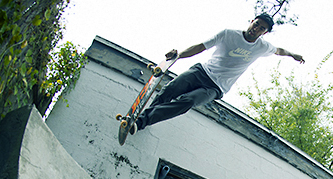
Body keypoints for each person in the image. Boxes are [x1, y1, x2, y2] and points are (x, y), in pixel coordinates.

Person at [129, 13, 304, 134]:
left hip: (216, 87)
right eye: (256, 24)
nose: (256, 29)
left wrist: (293, 54)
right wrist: (178, 56)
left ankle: (141, 122)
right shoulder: (228, 34)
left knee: (187, 101)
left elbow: (279, 50)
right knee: (170, 89)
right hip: (201, 71)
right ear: (251, 21)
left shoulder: (263, 47)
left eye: (261, 29)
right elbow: (201, 46)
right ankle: (140, 121)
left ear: (264, 33)